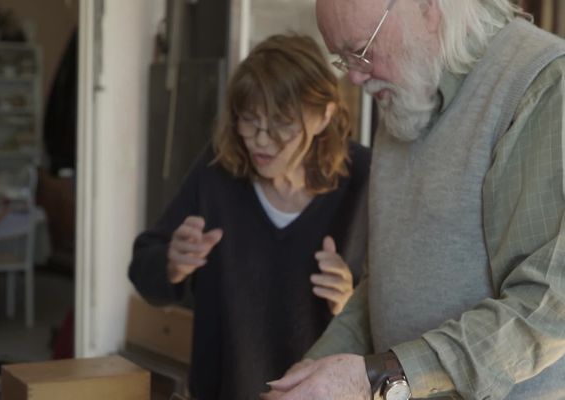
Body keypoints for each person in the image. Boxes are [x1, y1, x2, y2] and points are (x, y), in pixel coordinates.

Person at [262, 1, 565, 400]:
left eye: (362, 50)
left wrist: (382, 375)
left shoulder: (540, 82)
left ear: (427, 7)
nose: (353, 76)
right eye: (343, 58)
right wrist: (306, 377)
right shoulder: (406, 92)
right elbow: (386, 286)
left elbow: (547, 306)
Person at [128, 33, 371, 400]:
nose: (260, 140)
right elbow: (143, 270)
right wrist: (171, 263)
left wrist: (351, 304)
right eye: (249, 120)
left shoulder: (365, 179)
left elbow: (402, 317)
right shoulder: (217, 172)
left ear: (324, 116)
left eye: (281, 125)